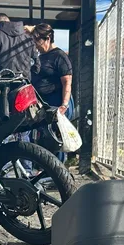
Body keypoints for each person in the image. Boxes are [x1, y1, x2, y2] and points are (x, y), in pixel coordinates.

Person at [31, 23, 74, 162]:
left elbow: (67, 82)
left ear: (48, 38)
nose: (36, 44)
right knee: (43, 139)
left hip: (57, 101)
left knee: (56, 138)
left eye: (38, 40)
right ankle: (45, 171)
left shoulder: (59, 56)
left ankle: (58, 173)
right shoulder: (41, 56)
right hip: (43, 103)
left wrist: (64, 105)